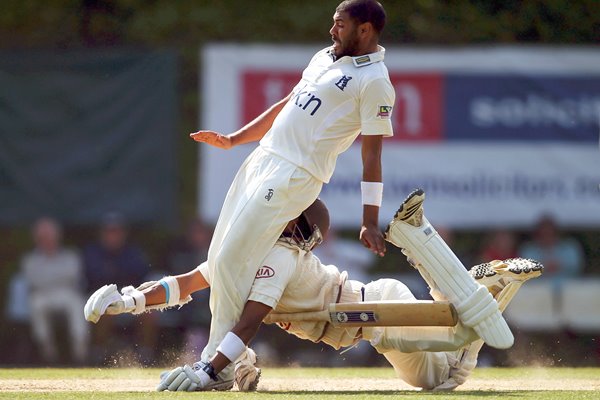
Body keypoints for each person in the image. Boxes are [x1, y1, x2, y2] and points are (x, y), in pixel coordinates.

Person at [85, 191, 543, 391]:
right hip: (368, 311)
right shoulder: (251, 252)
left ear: (290, 227)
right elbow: (185, 284)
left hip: (369, 315)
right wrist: (127, 301)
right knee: (446, 369)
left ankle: (474, 280)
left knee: (445, 375)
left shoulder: (276, 257)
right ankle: (472, 282)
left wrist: (209, 368)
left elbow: (247, 322)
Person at [188, 0, 395, 379]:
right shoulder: (324, 57)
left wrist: (370, 221)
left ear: (364, 30)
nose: (332, 31)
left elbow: (372, 156)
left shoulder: (376, 81)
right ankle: (227, 361)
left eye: (340, 25)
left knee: (234, 257)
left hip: (295, 175)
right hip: (263, 160)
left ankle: (213, 367)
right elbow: (287, 106)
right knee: (220, 257)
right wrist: (235, 140)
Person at [21, 217, 88, 364]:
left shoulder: (71, 256)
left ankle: (80, 353)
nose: (47, 240)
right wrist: (58, 278)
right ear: (37, 239)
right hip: (42, 295)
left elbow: (73, 277)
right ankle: (48, 353)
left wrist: (49, 278)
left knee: (77, 303)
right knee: (36, 304)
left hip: (66, 294)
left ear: (57, 236)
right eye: (43, 237)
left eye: (50, 236)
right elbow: (34, 282)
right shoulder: (30, 260)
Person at [519, 215, 584, 287]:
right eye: (543, 234)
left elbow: (577, 266)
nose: (547, 236)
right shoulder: (529, 250)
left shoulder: (569, 247)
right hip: (537, 290)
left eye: (550, 233)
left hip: (569, 289)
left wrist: (560, 265)